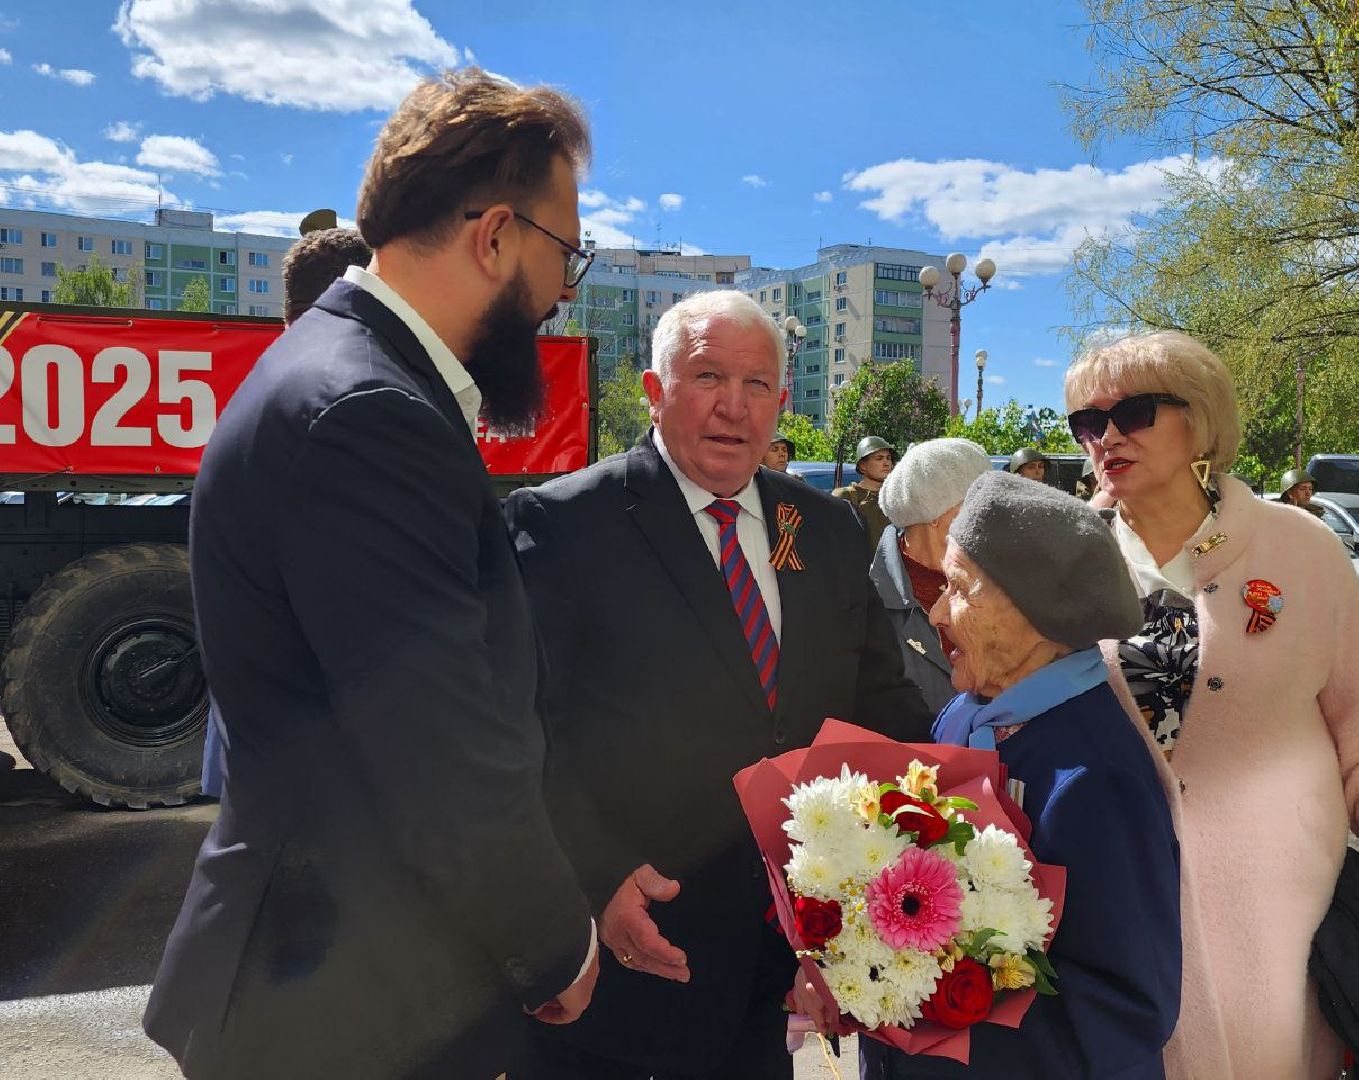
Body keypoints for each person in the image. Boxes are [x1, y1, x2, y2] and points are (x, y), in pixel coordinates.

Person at [145, 69, 601, 1079]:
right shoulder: (370, 414)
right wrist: (553, 941)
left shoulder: (335, 371)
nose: (566, 293)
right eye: (565, 254)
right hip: (340, 1002)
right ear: (493, 239)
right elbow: (439, 744)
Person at [506, 290, 933, 1080]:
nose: (734, 407)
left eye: (758, 384)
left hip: (783, 964)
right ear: (653, 390)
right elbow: (522, 731)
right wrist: (596, 878)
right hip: (635, 959)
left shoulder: (826, 529)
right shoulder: (563, 525)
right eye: (706, 377)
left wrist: (938, 842)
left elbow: (881, 708)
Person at [1064, 329, 1359, 1078]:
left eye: (1134, 411)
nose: (1106, 436)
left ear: (1198, 419)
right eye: (1086, 421)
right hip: (1122, 915)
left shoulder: (1301, 548)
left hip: (1285, 917)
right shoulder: (1073, 553)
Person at [850, 470, 1181, 1078]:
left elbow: (1127, 1010)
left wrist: (944, 1012)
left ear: (1036, 611)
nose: (939, 611)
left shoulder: (1094, 774)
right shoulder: (964, 714)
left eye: (959, 588)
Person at [199, 220, 375, 800]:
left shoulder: (262, 390)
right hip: (313, 763)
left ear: (285, 316)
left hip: (256, 741)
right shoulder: (346, 403)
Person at [870, 437, 994, 713]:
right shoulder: (869, 605)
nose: (992, 518)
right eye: (980, 505)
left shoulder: (997, 578)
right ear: (937, 513)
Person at [834, 435, 896, 555]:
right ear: (863, 465)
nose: (887, 463)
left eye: (888, 458)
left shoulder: (896, 497)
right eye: (879, 458)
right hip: (859, 570)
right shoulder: (846, 496)